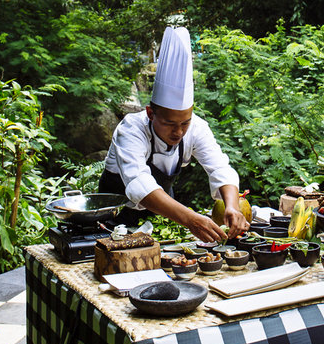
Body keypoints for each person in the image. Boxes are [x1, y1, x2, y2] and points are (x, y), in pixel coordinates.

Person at [99, 26, 248, 242]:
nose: (178, 132)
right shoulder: (131, 129)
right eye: (169, 123)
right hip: (112, 224)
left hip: (163, 220)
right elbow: (140, 184)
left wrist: (232, 206)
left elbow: (220, 168)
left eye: (185, 123)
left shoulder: (197, 128)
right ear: (150, 113)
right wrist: (190, 219)